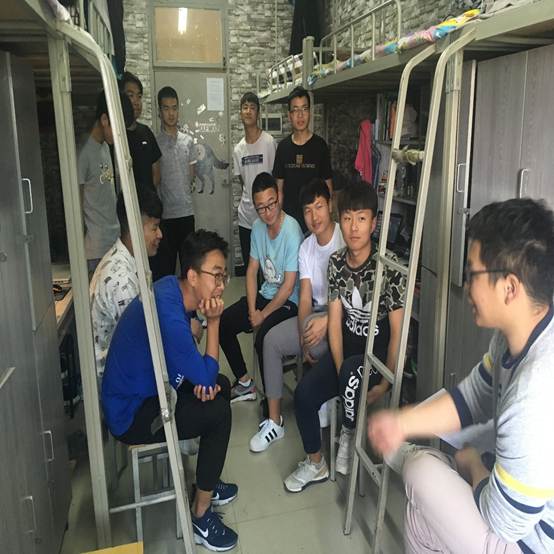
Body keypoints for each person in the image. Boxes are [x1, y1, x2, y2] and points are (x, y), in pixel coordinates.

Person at [368, 198, 554, 554]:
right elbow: (473, 397)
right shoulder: (517, 335)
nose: (467, 286)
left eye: (473, 274)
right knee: (421, 517)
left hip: (531, 542)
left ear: (509, 288)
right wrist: (402, 423)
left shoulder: (536, 391)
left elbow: (505, 522)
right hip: (516, 511)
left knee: (421, 470)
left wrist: (471, 464)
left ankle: (422, 459)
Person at [101, 229, 238, 551]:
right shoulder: (171, 315)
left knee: (220, 386)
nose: (221, 285)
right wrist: (214, 322)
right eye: (216, 276)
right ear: (192, 275)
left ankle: (206, 480)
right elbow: (202, 373)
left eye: (224, 276)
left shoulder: (170, 288)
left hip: (154, 387)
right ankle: (200, 515)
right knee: (218, 412)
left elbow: (201, 372)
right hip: (132, 413)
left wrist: (204, 382)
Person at [284, 181, 405, 492]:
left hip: (375, 359)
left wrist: (386, 383)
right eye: (348, 218)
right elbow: (335, 324)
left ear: (373, 223)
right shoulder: (337, 262)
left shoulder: (389, 267)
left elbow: (397, 334)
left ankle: (348, 432)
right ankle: (315, 463)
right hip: (346, 356)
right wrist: (339, 373)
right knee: (304, 395)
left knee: (352, 370)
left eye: (361, 219)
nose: (353, 227)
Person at [249, 178, 344, 452]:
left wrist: (327, 322)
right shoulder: (306, 247)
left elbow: (353, 301)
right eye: (307, 210)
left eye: (319, 207)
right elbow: (304, 297)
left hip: (342, 317)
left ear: (330, 206)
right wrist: (303, 334)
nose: (314, 216)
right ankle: (274, 421)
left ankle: (327, 400)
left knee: (318, 341)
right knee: (271, 341)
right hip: (314, 314)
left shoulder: (344, 238)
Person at [219, 172, 304, 402]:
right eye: (261, 208)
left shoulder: (292, 230)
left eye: (271, 204)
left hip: (289, 302)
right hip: (265, 295)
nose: (267, 212)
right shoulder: (257, 227)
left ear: (278, 197)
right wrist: (251, 309)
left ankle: (271, 399)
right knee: (223, 323)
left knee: (264, 339)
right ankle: (245, 382)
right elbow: (251, 271)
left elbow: (288, 286)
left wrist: (262, 315)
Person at [90, 185, 163, 379]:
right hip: (116, 379)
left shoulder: (130, 259)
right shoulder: (121, 280)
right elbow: (142, 341)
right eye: (154, 227)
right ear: (134, 227)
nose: (160, 234)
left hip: (126, 364)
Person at [78, 91, 134, 272]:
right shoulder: (84, 153)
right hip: (96, 248)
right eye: (118, 128)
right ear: (104, 120)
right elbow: (76, 205)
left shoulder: (104, 147)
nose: (119, 135)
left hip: (113, 239)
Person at [273, 86, 333, 232]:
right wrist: (277, 220)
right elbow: (279, 189)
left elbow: (328, 187)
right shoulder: (283, 147)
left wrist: (328, 220)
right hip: (289, 223)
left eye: (304, 109)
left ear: (310, 112)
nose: (300, 115)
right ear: (289, 115)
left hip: (315, 221)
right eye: (295, 110)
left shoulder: (320, 146)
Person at [153, 85, 197, 279]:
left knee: (189, 270)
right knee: (166, 270)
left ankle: (189, 303)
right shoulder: (155, 142)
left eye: (174, 108)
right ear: (159, 111)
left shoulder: (188, 141)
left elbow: (191, 175)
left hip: (186, 214)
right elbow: (155, 179)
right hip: (166, 218)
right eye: (166, 108)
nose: (171, 113)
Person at [233, 91, 277, 266]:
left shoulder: (268, 142)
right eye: (245, 108)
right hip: (246, 217)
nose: (248, 111)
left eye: (252, 108)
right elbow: (243, 181)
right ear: (240, 113)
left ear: (258, 113)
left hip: (267, 215)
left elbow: (275, 178)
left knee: (269, 266)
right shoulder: (238, 149)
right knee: (250, 265)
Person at [121, 71, 162, 190]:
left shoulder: (146, 132)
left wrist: (147, 197)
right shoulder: (116, 136)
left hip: (147, 200)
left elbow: (156, 174)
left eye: (139, 96)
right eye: (130, 95)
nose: (136, 102)